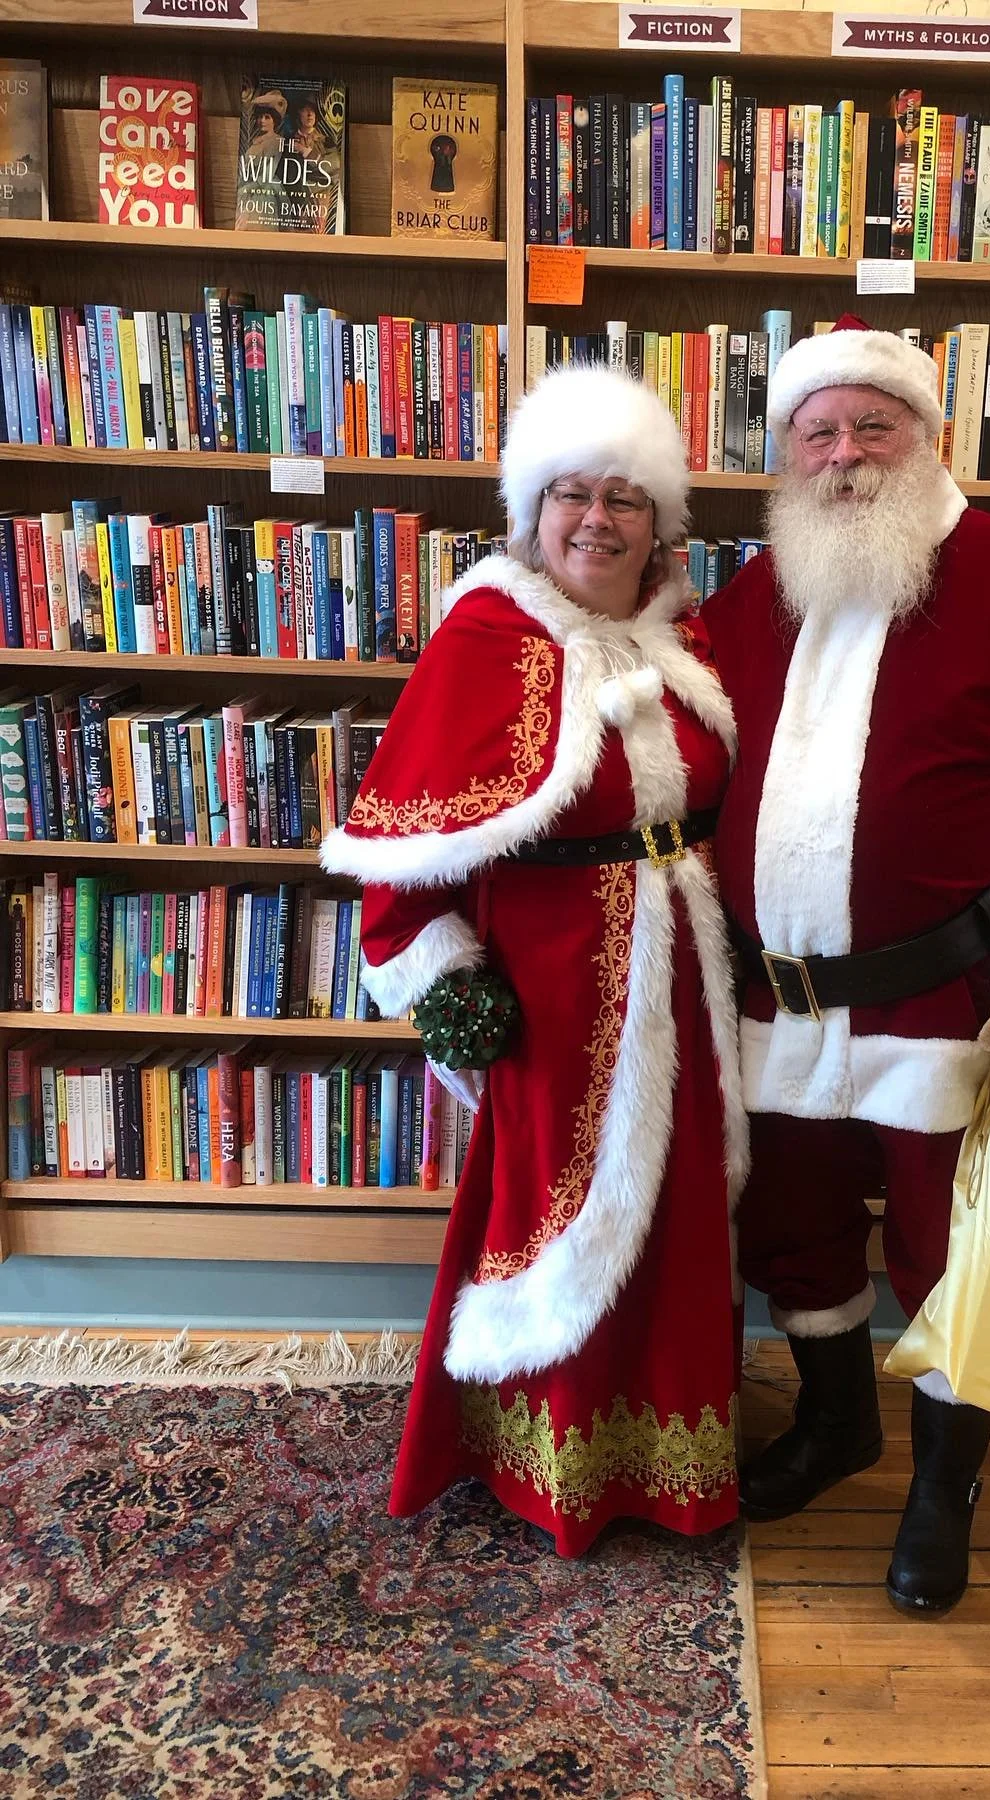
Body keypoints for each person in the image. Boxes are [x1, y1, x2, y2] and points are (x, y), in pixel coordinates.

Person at [703, 315, 990, 1614]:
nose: (846, 453)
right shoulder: (752, 592)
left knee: (959, 1251)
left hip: (943, 1001)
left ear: (927, 436)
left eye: (872, 424)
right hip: (769, 1000)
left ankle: (943, 1486)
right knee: (791, 1229)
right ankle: (838, 1425)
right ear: (789, 454)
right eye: (818, 431)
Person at [321, 364, 747, 1557]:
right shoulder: (486, 637)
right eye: (572, 495)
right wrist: (444, 982)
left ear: (660, 524)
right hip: (552, 998)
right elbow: (404, 856)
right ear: (531, 511)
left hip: (685, 982)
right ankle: (551, 1468)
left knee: (675, 1224)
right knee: (552, 1216)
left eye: (624, 498)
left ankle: (670, 1463)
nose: (596, 521)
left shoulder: (691, 638)